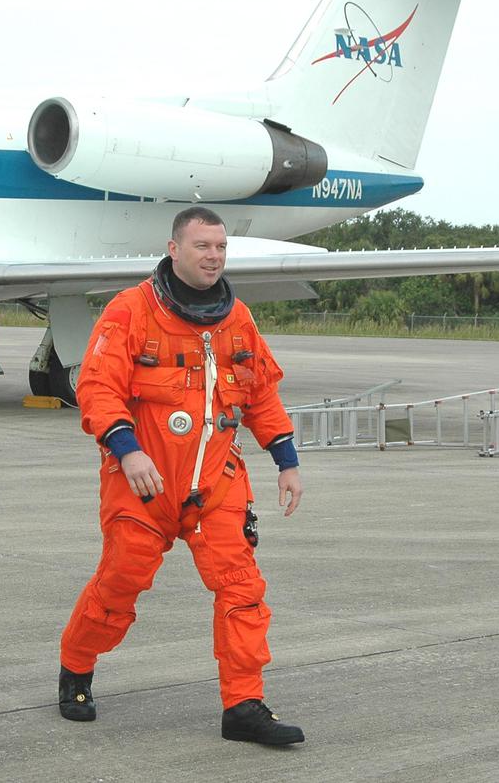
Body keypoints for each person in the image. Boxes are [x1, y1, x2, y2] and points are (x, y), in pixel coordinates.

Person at [57, 206, 306, 746]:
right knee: (120, 585)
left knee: (242, 590)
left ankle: (244, 706)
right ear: (174, 250)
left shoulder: (237, 318)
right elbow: (98, 388)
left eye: (220, 247)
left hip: (215, 487)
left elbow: (259, 392)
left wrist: (286, 461)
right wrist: (127, 450)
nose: (213, 256)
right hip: (143, 486)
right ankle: (77, 666)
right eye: (202, 246)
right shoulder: (131, 312)